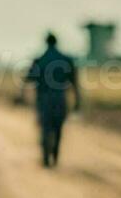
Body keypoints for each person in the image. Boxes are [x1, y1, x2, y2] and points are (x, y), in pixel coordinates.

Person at [22, 32, 80, 167]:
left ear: (46, 42)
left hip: (43, 99)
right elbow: (75, 83)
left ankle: (45, 156)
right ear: (56, 42)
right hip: (60, 99)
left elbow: (29, 78)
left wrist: (22, 96)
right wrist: (78, 101)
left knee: (45, 127)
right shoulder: (66, 60)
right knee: (58, 127)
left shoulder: (39, 60)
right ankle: (55, 154)